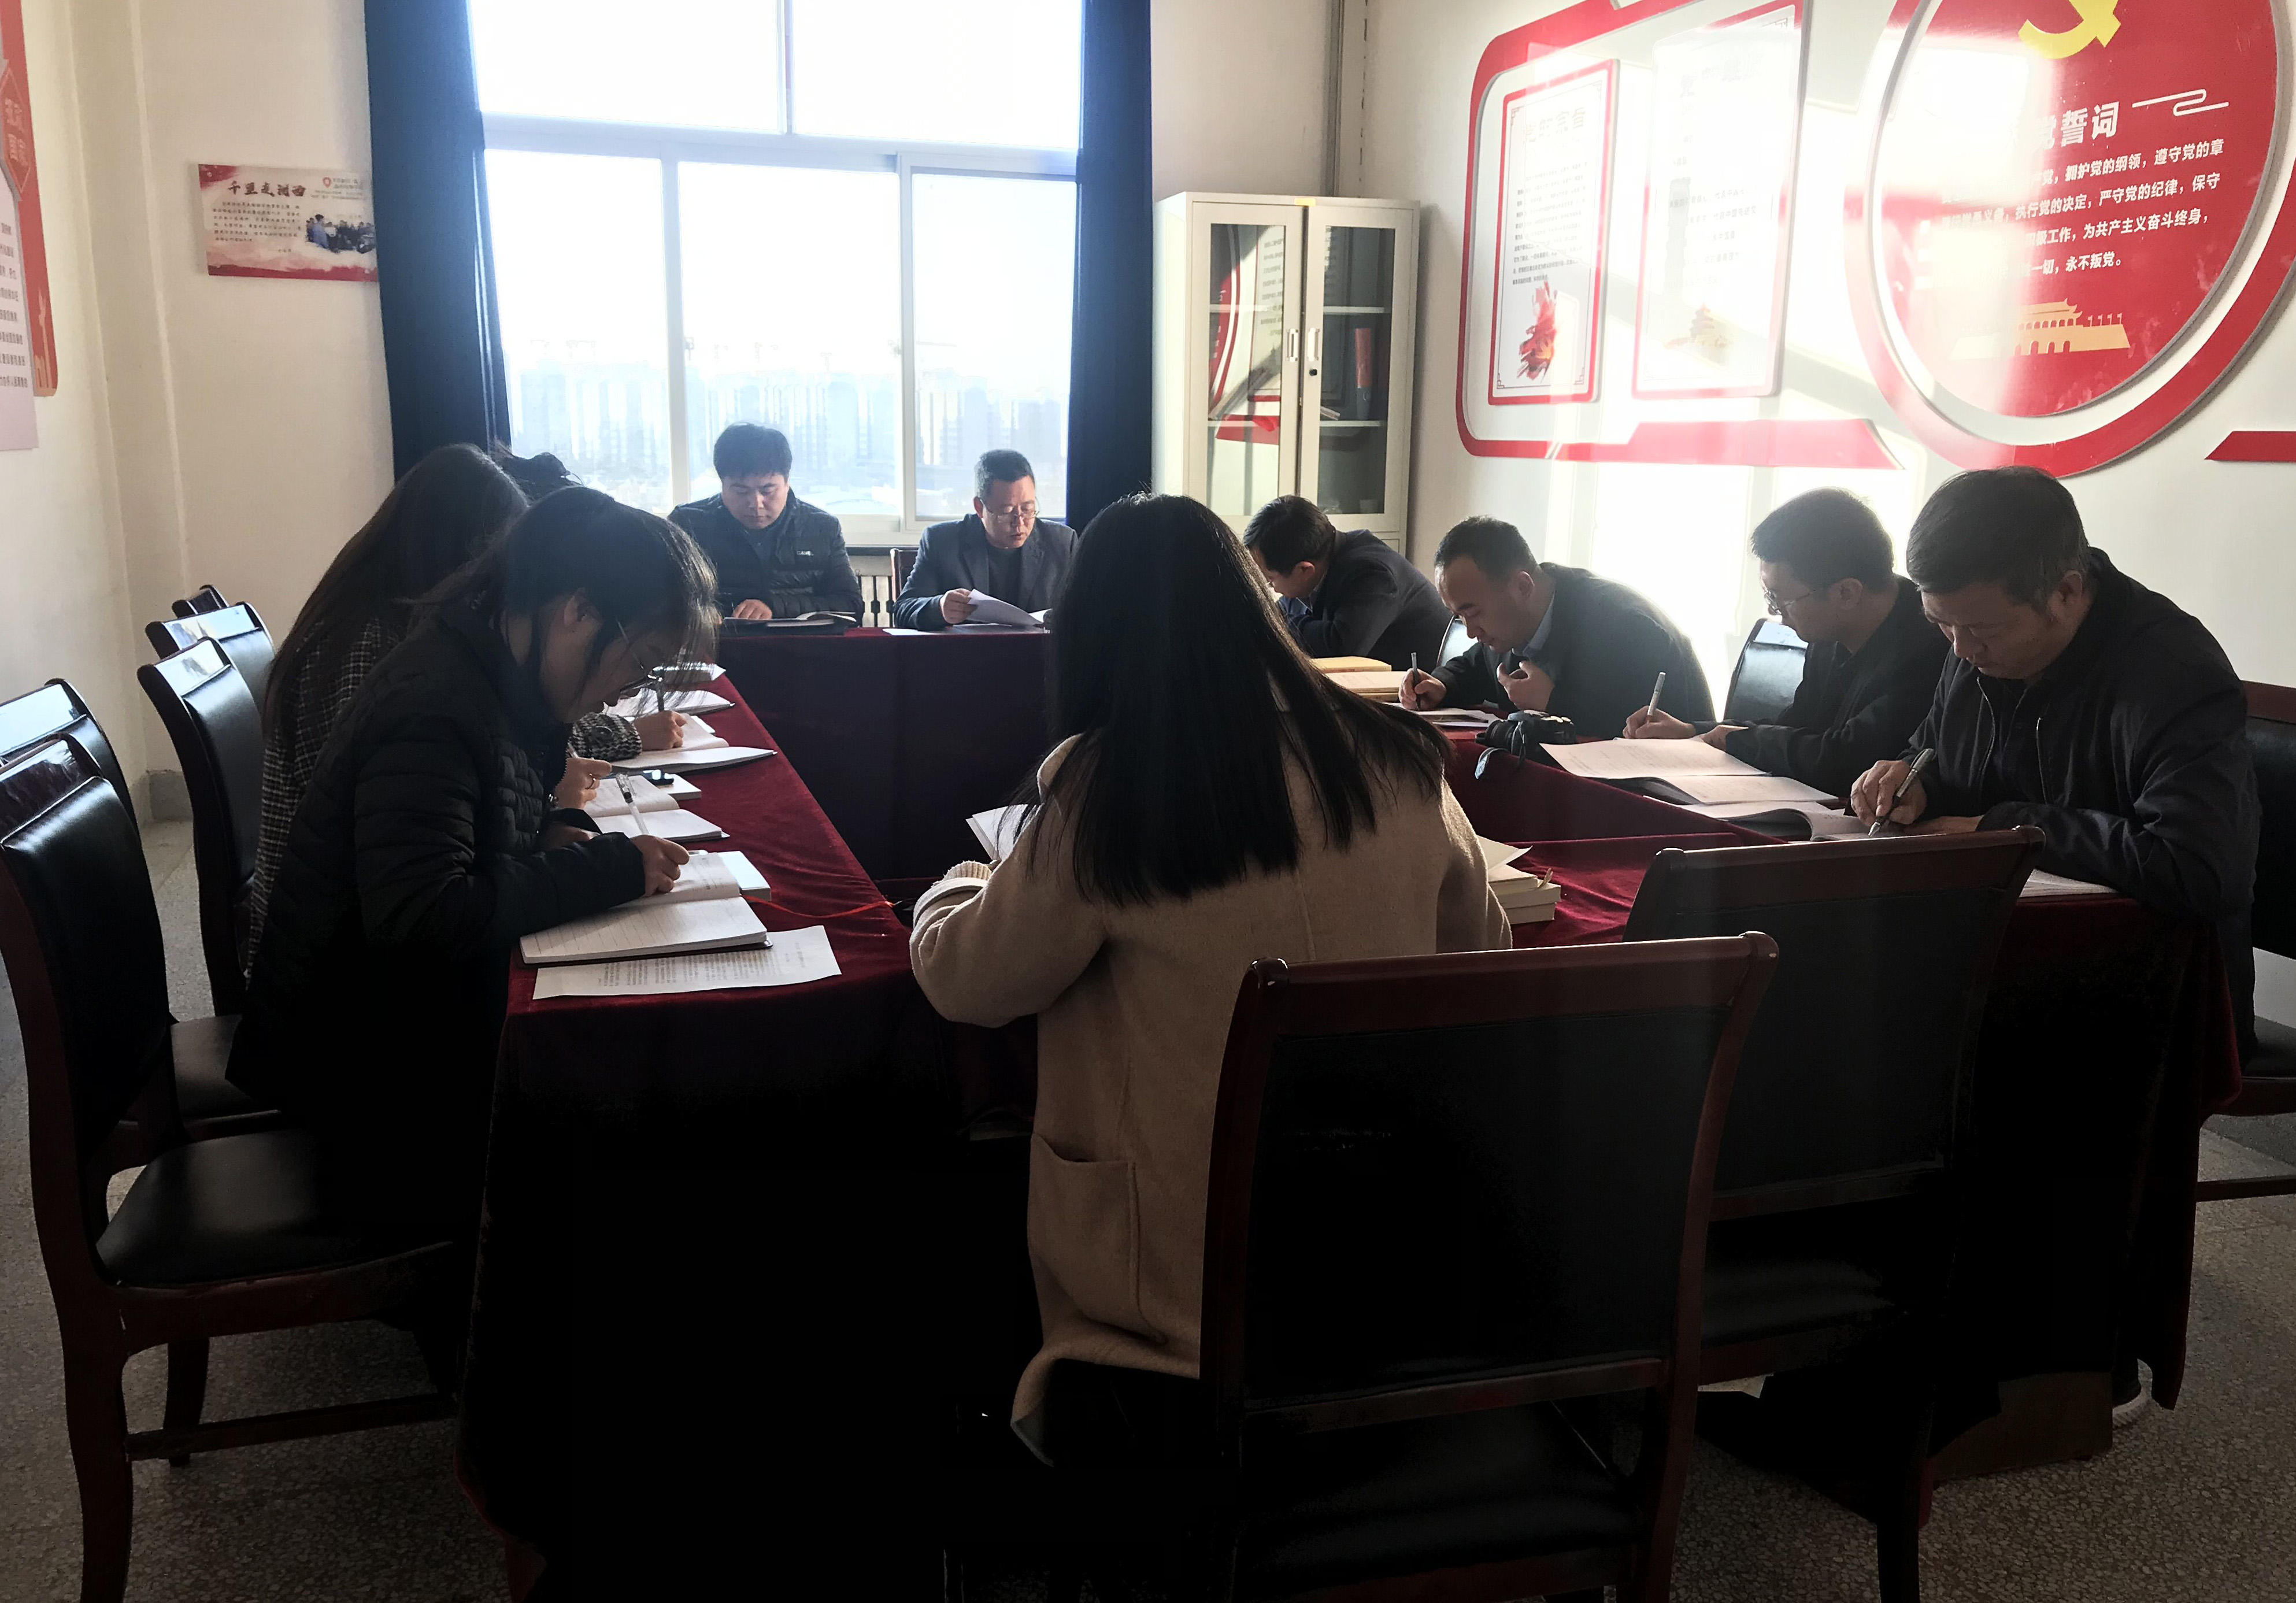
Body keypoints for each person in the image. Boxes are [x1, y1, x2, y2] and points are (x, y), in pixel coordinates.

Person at [908, 493, 1510, 1462]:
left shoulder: (1112, 792)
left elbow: (969, 981)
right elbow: (1481, 960)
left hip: (1176, 1290)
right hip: (1380, 1251)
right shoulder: (1396, 760)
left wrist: (960, 883)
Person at [230, 487, 716, 1231]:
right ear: (578, 611)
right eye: (642, 662)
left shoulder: (491, 668)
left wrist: (553, 829)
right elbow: (423, 915)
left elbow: (483, 824)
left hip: (391, 1026)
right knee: (644, 1109)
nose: (630, 691)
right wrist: (610, 869)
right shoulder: (435, 704)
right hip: (364, 1075)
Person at [1849, 467, 2259, 1045]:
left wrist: (2001, 829)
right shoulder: (1975, 640)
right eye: (1940, 625)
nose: (1961, 651)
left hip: (2145, 995)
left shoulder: (2175, 674)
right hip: (2000, 950)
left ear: (2066, 593)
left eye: (1982, 629)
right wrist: (1913, 781)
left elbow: (2198, 869)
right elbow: (1936, 750)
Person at [250, 445, 686, 952]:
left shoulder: (470, 661)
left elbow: (450, 825)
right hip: (342, 973)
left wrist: (542, 835)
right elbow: (421, 915)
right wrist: (603, 871)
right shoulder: (405, 676)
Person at [1624, 488, 1947, 794]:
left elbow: (1846, 759)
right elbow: (1798, 726)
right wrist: (1692, 731)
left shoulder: (1931, 647)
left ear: (1846, 593)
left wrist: (1734, 740)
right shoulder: (1830, 632)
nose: (1774, 611)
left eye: (1780, 599)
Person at [1400, 516, 1713, 735]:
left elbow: (1644, 724)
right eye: (1458, 616)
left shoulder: (1623, 626)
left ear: (1522, 587)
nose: (1470, 631)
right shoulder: (1508, 623)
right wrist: (1441, 684)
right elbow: (1476, 667)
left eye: (1474, 613)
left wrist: (1555, 703)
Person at [669, 423, 862, 621]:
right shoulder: (688, 525)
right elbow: (662, 599)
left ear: (787, 482)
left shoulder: (822, 528)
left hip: (797, 641)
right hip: (717, 640)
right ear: (722, 484)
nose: (756, 503)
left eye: (768, 491)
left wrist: (775, 607)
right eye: (741, 491)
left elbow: (851, 605)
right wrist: (702, 614)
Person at [1240, 494, 1450, 670]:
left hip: (1423, 695)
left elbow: (1339, 647)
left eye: (1270, 580)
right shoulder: (1317, 558)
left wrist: (1275, 625)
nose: (1271, 588)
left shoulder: (1372, 574)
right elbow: (1280, 617)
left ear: (1305, 570)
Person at [891, 449, 1076, 628]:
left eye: (1028, 509)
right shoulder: (942, 542)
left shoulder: (1062, 542)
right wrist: (939, 608)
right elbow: (903, 610)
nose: (1019, 522)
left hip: (1037, 649)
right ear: (979, 508)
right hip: (967, 649)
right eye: (1006, 512)